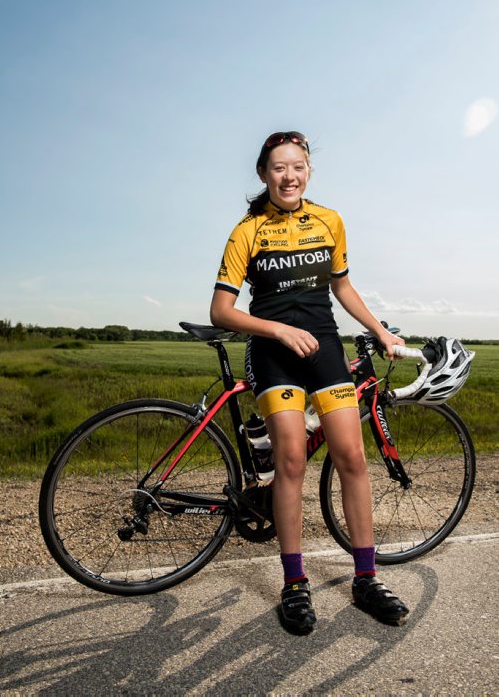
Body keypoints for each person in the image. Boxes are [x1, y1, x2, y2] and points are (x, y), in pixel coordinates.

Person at [210, 130, 409, 635]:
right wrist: (276, 327)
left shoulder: (330, 221)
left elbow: (342, 285)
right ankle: (295, 584)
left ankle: (366, 578)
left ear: (309, 171)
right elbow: (221, 311)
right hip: (274, 352)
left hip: (325, 348)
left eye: (297, 166)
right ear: (264, 174)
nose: (289, 176)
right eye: (279, 168)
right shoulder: (246, 231)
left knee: (352, 455)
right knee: (292, 458)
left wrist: (379, 330)